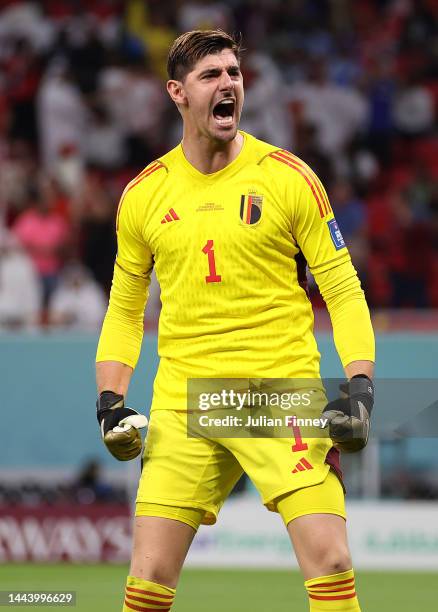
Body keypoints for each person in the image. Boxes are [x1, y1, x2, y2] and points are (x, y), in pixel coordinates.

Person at [95, 30, 375, 612]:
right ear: (177, 92)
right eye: (210, 76)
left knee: (333, 560)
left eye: (234, 74)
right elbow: (125, 310)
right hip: (185, 398)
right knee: (146, 578)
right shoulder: (144, 195)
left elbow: (344, 291)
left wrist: (360, 387)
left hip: (280, 393)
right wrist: (110, 401)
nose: (228, 85)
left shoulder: (289, 177)